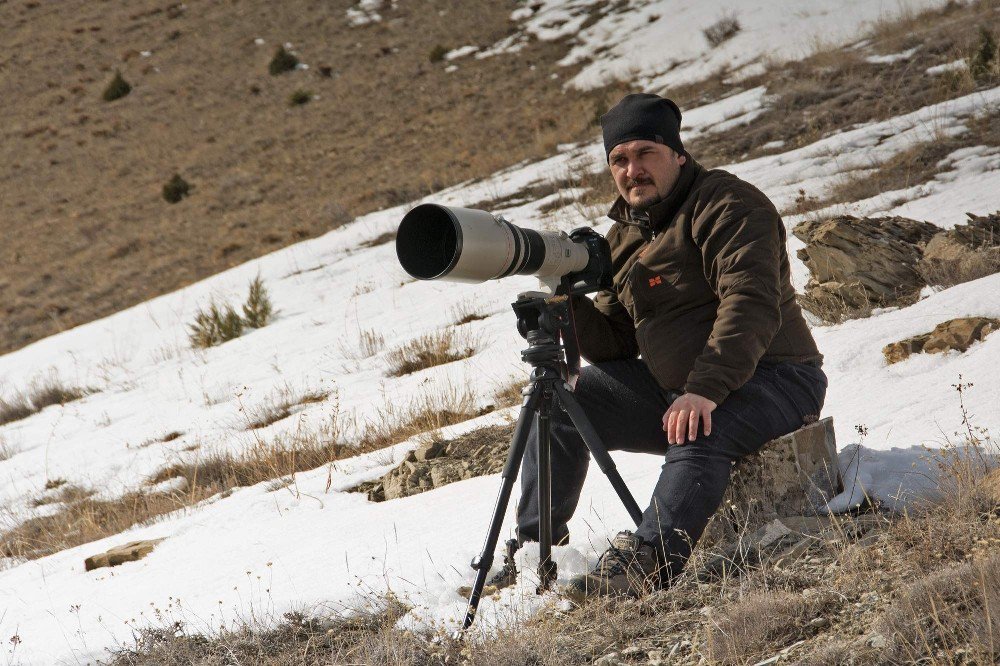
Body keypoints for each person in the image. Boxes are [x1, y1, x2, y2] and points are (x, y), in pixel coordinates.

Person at [488, 93, 828, 601]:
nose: (633, 170)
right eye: (619, 160)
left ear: (677, 154)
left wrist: (703, 391)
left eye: (645, 153)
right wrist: (564, 304)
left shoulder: (728, 205)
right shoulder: (624, 236)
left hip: (776, 377)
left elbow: (751, 303)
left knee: (699, 429)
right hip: (677, 387)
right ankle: (538, 550)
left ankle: (647, 564)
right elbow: (615, 344)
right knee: (561, 399)